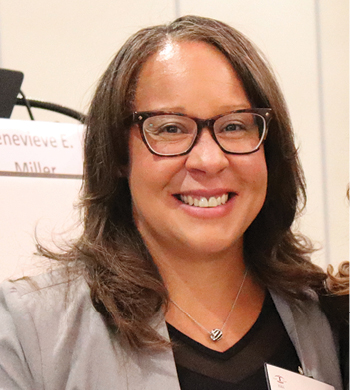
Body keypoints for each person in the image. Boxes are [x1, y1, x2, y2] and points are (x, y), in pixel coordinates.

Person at [0, 15, 345, 390]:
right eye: (170, 128)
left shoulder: (327, 318)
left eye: (234, 125)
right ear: (117, 153)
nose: (209, 160)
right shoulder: (27, 331)